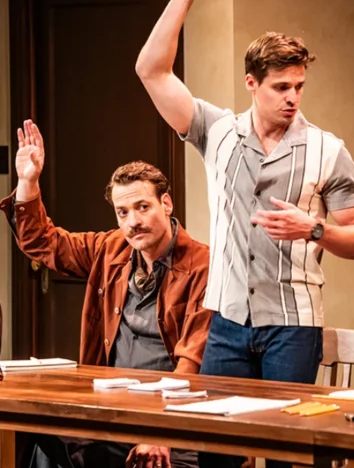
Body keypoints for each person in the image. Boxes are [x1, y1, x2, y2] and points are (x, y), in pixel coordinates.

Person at [135, 0, 354, 468]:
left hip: (293, 325)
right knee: (218, 455)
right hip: (226, 322)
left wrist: (313, 229)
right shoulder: (217, 131)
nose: (293, 98)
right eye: (281, 87)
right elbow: (151, 70)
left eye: (299, 86)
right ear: (252, 83)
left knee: (290, 457)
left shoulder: (327, 150)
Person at [0, 120, 211, 468]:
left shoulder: (203, 265)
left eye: (143, 207)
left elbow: (193, 362)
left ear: (167, 204)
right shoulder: (111, 248)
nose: (133, 222)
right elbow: (44, 243)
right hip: (110, 411)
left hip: (173, 419)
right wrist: (28, 182)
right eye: (122, 213)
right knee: (36, 431)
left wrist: (162, 431)